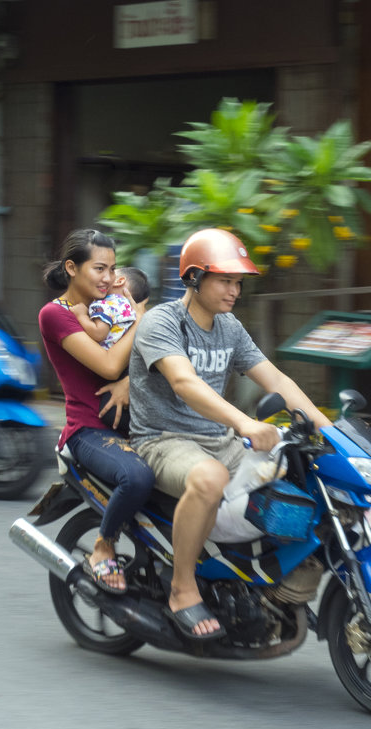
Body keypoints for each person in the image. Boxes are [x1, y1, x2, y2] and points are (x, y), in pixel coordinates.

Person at [129, 227, 332, 640]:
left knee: (300, 475)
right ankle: (182, 587)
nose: (234, 291)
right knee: (210, 479)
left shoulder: (229, 327)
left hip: (219, 440)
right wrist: (244, 422)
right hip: (162, 439)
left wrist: (327, 429)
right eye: (225, 280)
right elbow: (184, 383)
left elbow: (274, 377)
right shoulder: (162, 323)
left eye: (238, 282)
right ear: (193, 278)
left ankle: (260, 577)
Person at [39, 229, 155, 594]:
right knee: (137, 478)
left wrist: (128, 384)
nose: (107, 278)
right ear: (72, 268)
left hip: (138, 423)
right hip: (89, 429)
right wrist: (139, 319)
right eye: (99, 269)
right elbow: (106, 367)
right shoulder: (56, 315)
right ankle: (104, 546)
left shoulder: (113, 308)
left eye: (113, 269)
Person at [71, 266, 150, 350]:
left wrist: (81, 315)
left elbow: (98, 334)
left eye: (111, 272)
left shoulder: (105, 304)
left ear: (119, 281)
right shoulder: (131, 311)